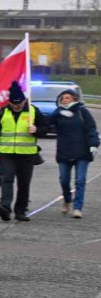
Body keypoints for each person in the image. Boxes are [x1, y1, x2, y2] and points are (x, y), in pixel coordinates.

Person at [0, 81, 46, 222]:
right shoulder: (2, 112)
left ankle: (20, 211)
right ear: (9, 102)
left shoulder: (33, 111)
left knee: (24, 182)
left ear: (24, 100)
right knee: (7, 178)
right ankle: (5, 206)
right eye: (14, 104)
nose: (16, 106)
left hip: (27, 154)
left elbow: (46, 127)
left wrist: (37, 130)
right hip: (7, 153)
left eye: (19, 103)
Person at [49, 87, 98, 218]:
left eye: (67, 98)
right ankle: (67, 199)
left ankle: (78, 208)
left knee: (80, 180)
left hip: (82, 152)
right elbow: (47, 123)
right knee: (64, 180)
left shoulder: (82, 111)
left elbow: (91, 128)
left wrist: (94, 145)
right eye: (62, 98)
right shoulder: (58, 112)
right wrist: (58, 112)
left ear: (74, 99)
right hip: (64, 152)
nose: (64, 100)